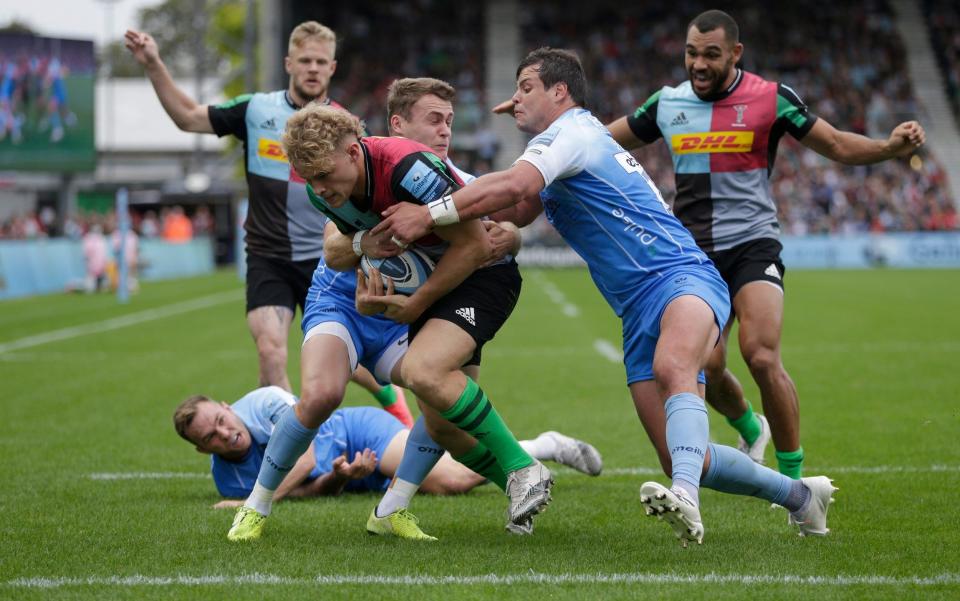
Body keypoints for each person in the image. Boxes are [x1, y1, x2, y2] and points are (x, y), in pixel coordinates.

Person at [373, 48, 838, 546]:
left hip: (680, 275)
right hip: (634, 308)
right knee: (688, 455)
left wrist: (428, 215)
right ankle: (801, 497)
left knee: (673, 368)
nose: (515, 99)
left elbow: (513, 186)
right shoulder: (562, 141)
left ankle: (685, 498)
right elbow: (521, 205)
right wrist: (490, 226)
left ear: (560, 92)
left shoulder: (571, 132)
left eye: (526, 87)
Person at [603, 10, 926, 478]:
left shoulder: (770, 98)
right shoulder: (665, 104)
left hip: (753, 244)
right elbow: (600, 142)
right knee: (707, 370)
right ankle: (751, 427)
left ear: (735, 53)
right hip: (694, 257)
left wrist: (889, 148)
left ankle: (795, 480)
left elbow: (834, 144)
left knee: (760, 353)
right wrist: (545, 133)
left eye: (711, 55)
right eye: (691, 53)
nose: (698, 64)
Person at [246, 103, 554, 542]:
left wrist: (414, 304)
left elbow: (474, 246)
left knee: (424, 374)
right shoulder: (325, 188)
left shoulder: (411, 171)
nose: (318, 188)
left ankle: (523, 468)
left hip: (479, 277)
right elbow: (344, 251)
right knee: (442, 416)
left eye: (325, 176)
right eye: (310, 178)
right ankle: (416, 502)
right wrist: (374, 278)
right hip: (419, 290)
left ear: (354, 153)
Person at [125, 22, 411, 421]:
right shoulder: (256, 109)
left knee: (355, 354)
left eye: (321, 62)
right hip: (268, 255)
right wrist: (153, 63)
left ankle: (399, 413)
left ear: (332, 68)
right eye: (305, 60)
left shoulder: (346, 128)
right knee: (270, 351)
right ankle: (298, 452)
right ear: (288, 63)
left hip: (328, 258)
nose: (313, 68)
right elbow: (189, 118)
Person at [174, 388, 601, 519]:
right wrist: (340, 478)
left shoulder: (265, 403)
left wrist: (255, 503)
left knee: (450, 479)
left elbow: (301, 459)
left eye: (221, 420)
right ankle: (535, 453)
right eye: (211, 437)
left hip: (360, 430)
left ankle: (546, 446)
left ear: (227, 407)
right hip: (352, 465)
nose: (225, 434)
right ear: (200, 450)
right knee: (446, 478)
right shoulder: (225, 478)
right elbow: (308, 488)